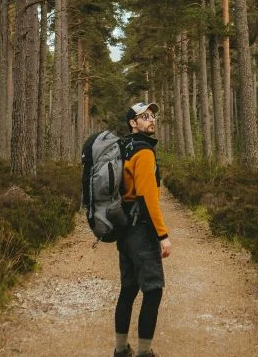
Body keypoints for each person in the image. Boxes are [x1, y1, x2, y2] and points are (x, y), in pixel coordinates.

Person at [114, 101, 172, 357]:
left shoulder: (124, 148)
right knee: (153, 289)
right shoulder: (144, 152)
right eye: (144, 116)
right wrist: (163, 235)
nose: (151, 120)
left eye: (152, 116)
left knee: (128, 288)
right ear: (132, 123)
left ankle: (120, 349)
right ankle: (144, 352)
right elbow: (149, 197)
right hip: (141, 229)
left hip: (123, 228)